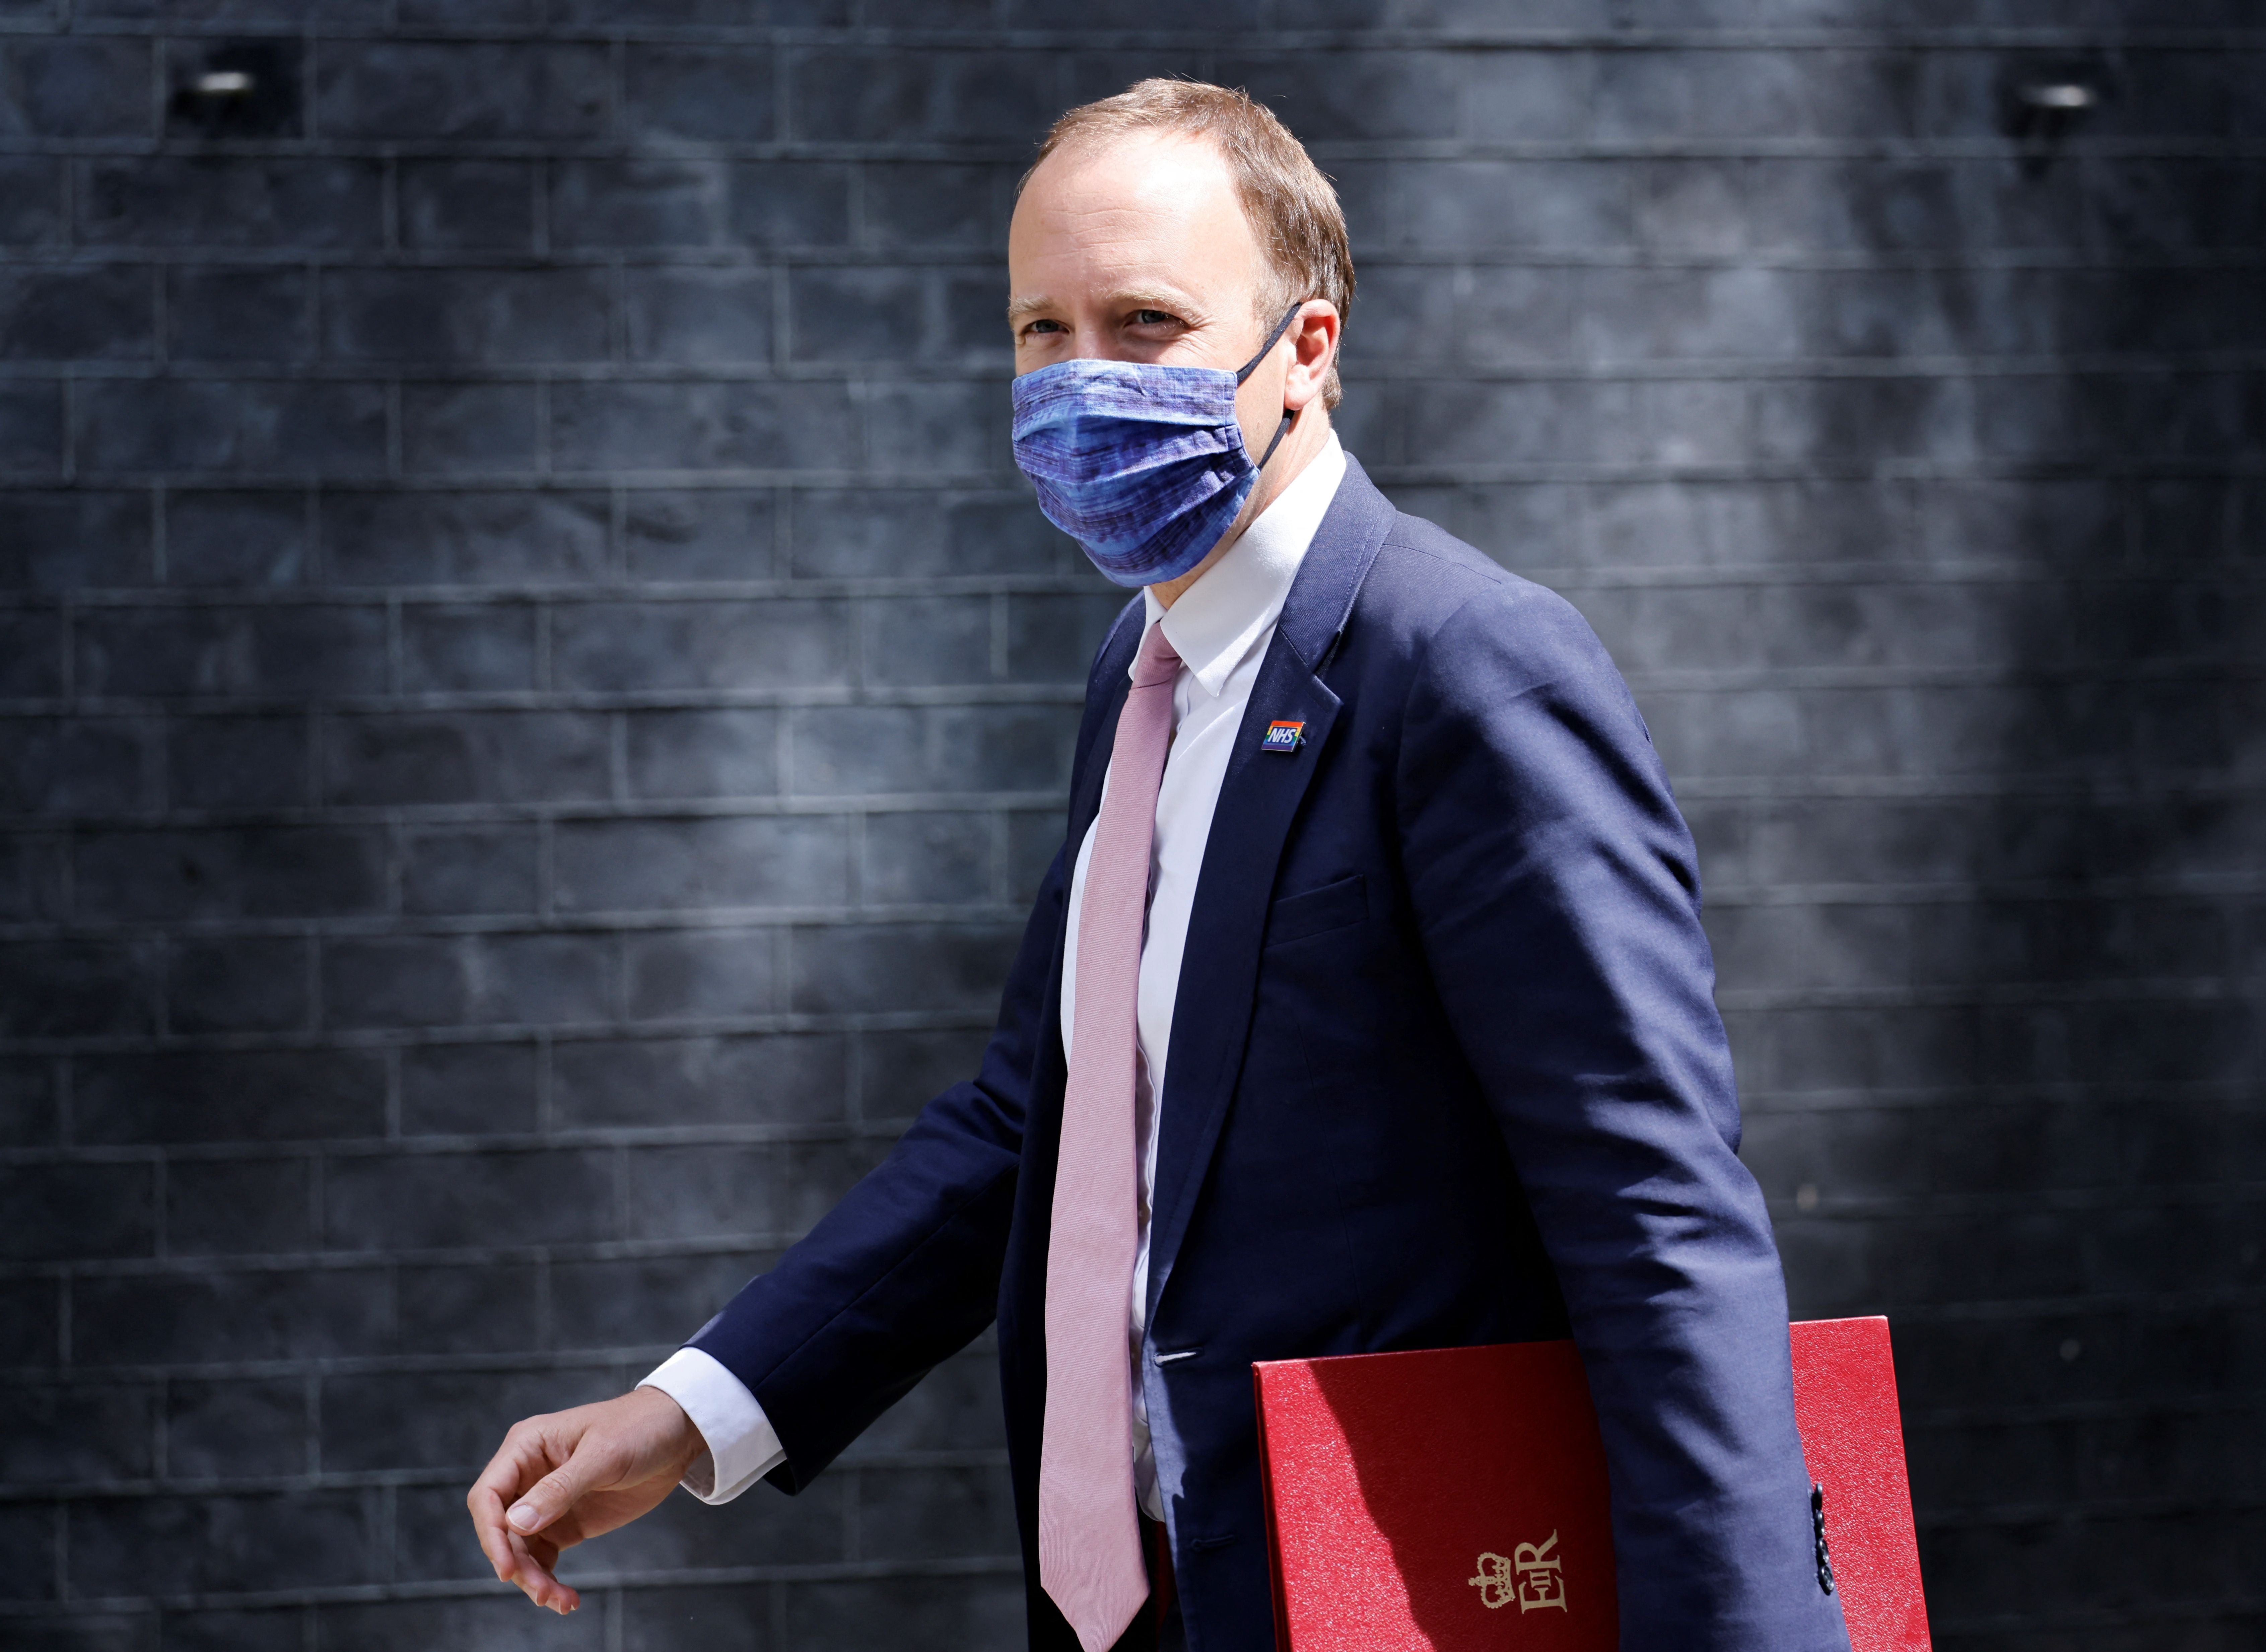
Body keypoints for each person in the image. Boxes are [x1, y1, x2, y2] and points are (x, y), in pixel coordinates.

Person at [467, 79, 1851, 1652]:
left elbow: (1649, 1206)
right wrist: (700, 1409)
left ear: (1306, 353)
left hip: (1402, 1588)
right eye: (1038, 333)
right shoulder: (1145, 673)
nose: (1077, 381)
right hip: (1146, 1597)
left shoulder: (1464, 668)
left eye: (1142, 323)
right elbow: (1039, 1122)